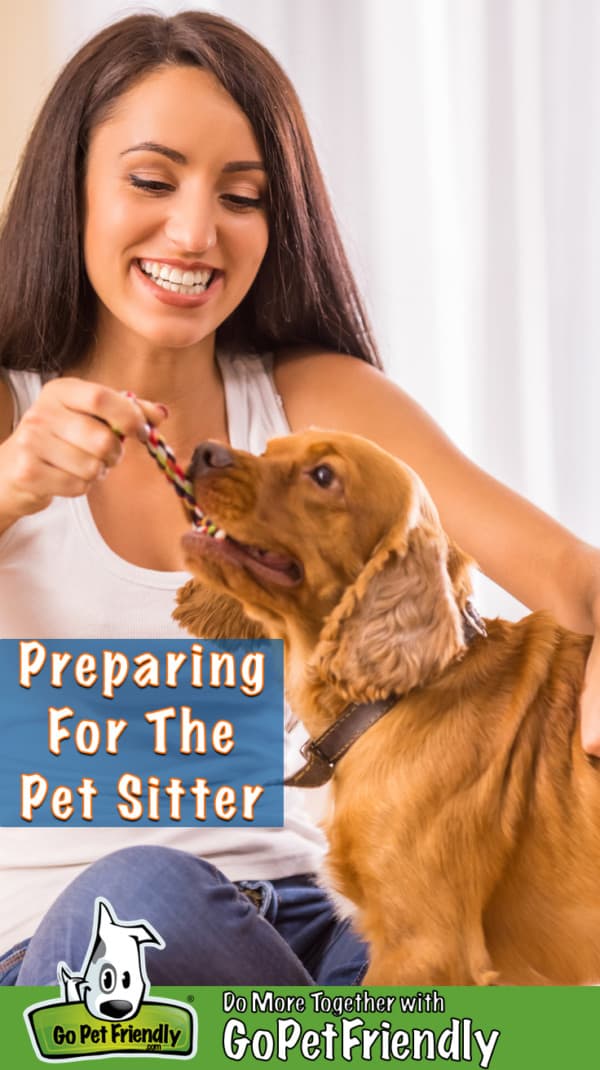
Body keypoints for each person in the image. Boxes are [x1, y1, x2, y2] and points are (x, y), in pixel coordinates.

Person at [0, 10, 599, 987]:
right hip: (80, 959)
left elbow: (575, 580)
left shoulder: (315, 404)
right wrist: (11, 484)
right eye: (152, 180)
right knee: (150, 887)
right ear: (72, 190)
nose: (195, 230)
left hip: (312, 929)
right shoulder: (9, 408)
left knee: (471, 933)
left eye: (243, 196)